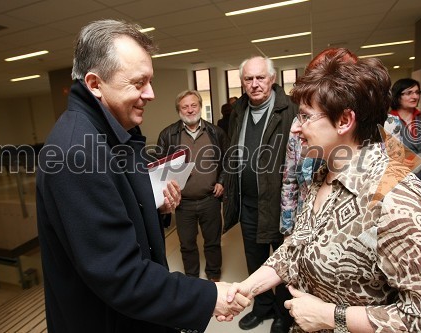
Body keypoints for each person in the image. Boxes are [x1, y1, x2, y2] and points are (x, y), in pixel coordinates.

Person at [36, 19, 250, 333]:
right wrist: (208, 296)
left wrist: (153, 205)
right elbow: (119, 275)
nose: (150, 93)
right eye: (138, 83)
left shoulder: (111, 132)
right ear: (95, 84)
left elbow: (113, 212)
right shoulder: (76, 153)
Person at [227, 48, 421, 332]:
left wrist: (331, 316)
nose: (296, 129)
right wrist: (245, 288)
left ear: (344, 121)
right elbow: (296, 248)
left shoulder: (396, 198)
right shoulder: (322, 175)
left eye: (305, 117)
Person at [280, 48, 404, 236]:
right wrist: (289, 230)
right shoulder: (300, 124)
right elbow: (290, 178)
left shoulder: (388, 125)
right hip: (309, 221)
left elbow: (395, 178)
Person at [223, 56, 297, 333]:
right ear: (242, 82)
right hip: (248, 204)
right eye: (248, 79)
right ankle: (262, 307)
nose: (254, 84)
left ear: (272, 79)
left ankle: (283, 312)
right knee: (255, 259)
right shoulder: (238, 111)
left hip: (279, 204)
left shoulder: (290, 110)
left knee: (280, 261)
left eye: (260, 78)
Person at [156, 89, 229, 282]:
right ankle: (192, 279)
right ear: (179, 110)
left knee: (212, 242)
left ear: (200, 106)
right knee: (187, 243)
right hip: (183, 202)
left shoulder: (216, 132)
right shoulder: (168, 135)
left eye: (193, 105)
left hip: (210, 199)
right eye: (184, 107)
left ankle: (214, 276)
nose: (190, 110)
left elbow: (228, 161)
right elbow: (160, 168)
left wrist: (221, 181)